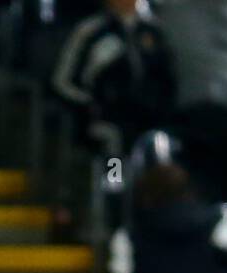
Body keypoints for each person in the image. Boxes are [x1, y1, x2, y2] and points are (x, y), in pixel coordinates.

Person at [51, 0, 176, 156]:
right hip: (103, 117)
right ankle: (113, 178)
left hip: (149, 118)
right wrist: (90, 105)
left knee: (161, 145)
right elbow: (62, 81)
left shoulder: (155, 31)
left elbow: (167, 80)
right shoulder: (91, 31)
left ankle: (147, 178)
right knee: (114, 142)